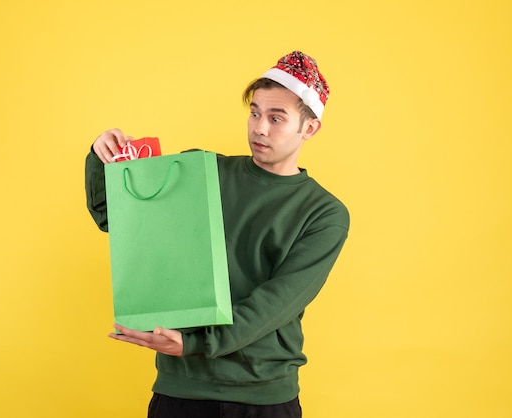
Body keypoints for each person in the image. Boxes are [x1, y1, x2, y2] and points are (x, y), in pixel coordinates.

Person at [85, 51, 349, 417]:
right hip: (181, 391)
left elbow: (274, 302)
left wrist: (194, 343)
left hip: (262, 398)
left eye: (276, 118)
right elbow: (125, 225)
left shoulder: (324, 213)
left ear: (309, 127)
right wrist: (104, 161)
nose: (259, 128)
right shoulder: (202, 172)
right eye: (255, 113)